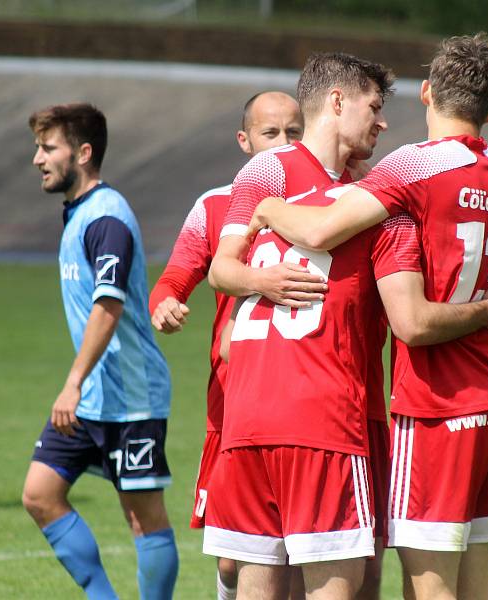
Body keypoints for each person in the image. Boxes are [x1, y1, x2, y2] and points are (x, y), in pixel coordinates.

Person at [206, 51, 488, 600]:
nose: (383, 121)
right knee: (316, 574)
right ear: (339, 102)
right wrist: (262, 281)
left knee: (353, 570)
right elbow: (221, 268)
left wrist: (265, 241)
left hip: (331, 404)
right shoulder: (283, 172)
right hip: (325, 412)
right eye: (374, 106)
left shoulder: (369, 189)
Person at [148, 90, 310, 600]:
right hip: (235, 405)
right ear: (244, 141)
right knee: (234, 558)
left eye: (294, 132)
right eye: (271, 133)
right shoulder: (217, 205)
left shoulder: (330, 202)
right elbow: (175, 278)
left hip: (309, 400)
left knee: (305, 554)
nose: (284, 143)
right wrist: (164, 303)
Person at [21, 103, 178, 599]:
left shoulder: (107, 218)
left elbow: (107, 307)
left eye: (49, 148)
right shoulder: (80, 214)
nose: (37, 159)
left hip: (130, 395)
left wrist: (72, 381)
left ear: (83, 153)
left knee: (143, 518)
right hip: (93, 398)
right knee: (40, 495)